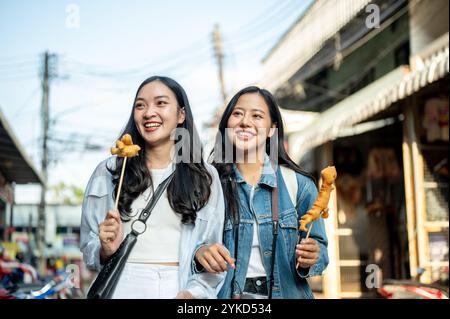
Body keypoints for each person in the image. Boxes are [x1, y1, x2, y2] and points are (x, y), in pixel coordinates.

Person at [80, 76, 225, 299]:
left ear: (181, 115)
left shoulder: (204, 176)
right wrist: (104, 249)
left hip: (176, 288)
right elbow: (88, 243)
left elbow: (211, 251)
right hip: (120, 287)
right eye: (140, 105)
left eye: (161, 103)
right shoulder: (109, 171)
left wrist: (193, 294)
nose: (148, 112)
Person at [195, 86, 328, 299]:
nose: (245, 121)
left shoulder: (299, 185)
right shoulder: (207, 186)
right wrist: (199, 254)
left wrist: (313, 256)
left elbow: (320, 250)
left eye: (257, 115)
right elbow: (189, 246)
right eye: (237, 114)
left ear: (272, 129)